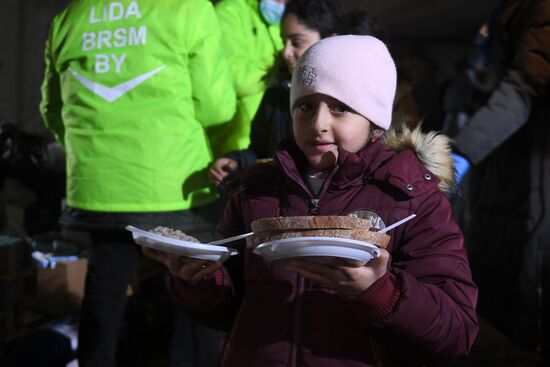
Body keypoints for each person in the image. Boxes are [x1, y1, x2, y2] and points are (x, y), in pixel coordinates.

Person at [145, 35, 479, 366]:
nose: (318, 124)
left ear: (374, 120)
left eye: (341, 108)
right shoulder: (255, 192)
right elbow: (231, 310)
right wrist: (199, 279)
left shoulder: (413, 199)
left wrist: (379, 291)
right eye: (305, 106)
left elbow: (456, 332)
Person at [39, 0, 236, 366]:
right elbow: (217, 107)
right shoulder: (187, 10)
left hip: (99, 189)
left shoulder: (69, 18)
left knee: (104, 293)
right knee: (200, 290)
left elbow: (52, 111)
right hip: (176, 185)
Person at [449, 0, 550, 362]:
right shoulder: (513, 9)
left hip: (529, 161)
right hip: (507, 157)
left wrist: (460, 153)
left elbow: (523, 86)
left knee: (526, 261)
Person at [209, 0, 343, 185]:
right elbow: (261, 153)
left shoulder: (350, 102)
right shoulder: (275, 97)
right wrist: (237, 161)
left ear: (330, 40)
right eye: (283, 41)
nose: (286, 52)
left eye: (296, 42)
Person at [207, 0, 286, 159]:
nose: (281, 3)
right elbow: (233, 77)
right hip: (237, 143)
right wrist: (277, 69)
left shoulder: (285, 18)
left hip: (271, 141)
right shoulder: (229, 11)